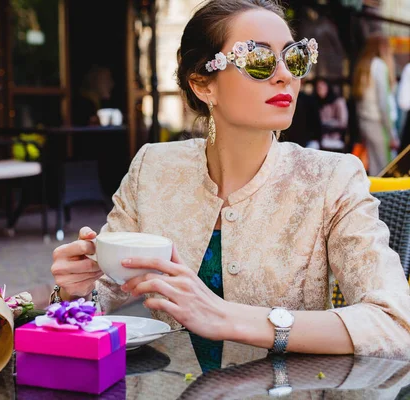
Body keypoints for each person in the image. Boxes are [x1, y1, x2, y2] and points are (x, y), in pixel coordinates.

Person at [50, 0, 410, 372]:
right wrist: (72, 291)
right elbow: (99, 298)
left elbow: (396, 323)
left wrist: (229, 318)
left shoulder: (331, 178)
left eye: (295, 58)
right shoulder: (152, 168)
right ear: (203, 85)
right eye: (259, 60)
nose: (285, 75)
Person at [352, 34, 400, 176]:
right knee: (386, 168)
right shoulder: (379, 66)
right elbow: (383, 103)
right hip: (379, 125)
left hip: (366, 123)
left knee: (374, 167)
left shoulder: (363, 65)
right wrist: (391, 134)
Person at [315, 78, 348, 151]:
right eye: (318, 88)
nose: (319, 90)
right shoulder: (316, 102)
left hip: (334, 137)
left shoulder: (338, 102)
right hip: (318, 138)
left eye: (321, 87)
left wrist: (326, 124)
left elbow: (343, 122)